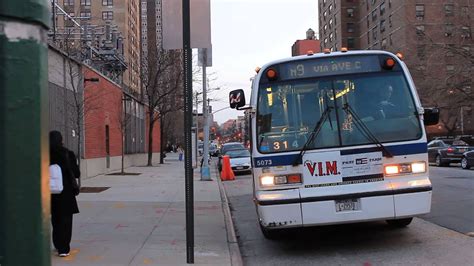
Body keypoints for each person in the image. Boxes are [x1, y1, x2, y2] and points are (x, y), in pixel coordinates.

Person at [49, 130, 80, 257]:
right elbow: (76, 173)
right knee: (66, 221)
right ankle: (64, 248)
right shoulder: (68, 154)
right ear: (61, 140)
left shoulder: (44, 154)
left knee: (55, 220)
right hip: (66, 192)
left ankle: (57, 244)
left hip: (50, 192)